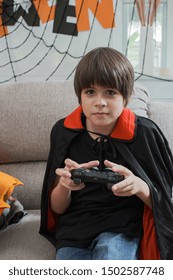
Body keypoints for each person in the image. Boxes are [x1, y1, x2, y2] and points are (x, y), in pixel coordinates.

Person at [39, 47, 173, 260]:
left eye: (110, 92)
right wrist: (65, 186)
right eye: (90, 92)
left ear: (126, 97)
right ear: (80, 96)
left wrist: (138, 186)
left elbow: (165, 203)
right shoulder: (64, 132)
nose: (99, 102)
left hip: (121, 230)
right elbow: (56, 207)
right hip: (74, 232)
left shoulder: (145, 134)